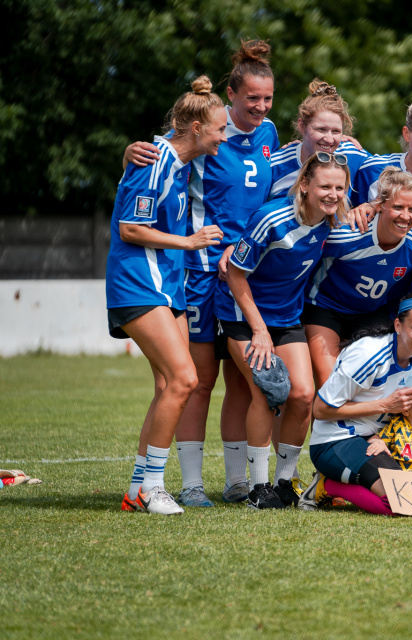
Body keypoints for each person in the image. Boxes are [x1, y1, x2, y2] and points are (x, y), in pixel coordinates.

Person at [123, 40, 281, 506]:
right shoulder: (208, 130)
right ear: (231, 95)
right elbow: (161, 155)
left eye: (267, 98)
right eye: (252, 97)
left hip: (244, 272)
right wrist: (130, 151)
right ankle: (191, 484)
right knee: (198, 378)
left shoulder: (270, 134)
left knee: (242, 379)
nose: (260, 106)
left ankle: (236, 481)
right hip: (197, 269)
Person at [109, 76, 227, 515]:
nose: (223, 136)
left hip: (165, 287)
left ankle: (138, 488)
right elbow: (129, 228)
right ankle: (150, 488)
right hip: (138, 284)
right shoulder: (156, 160)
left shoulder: (179, 163)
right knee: (184, 380)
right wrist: (190, 242)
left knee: (168, 384)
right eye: (219, 129)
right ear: (196, 129)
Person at [219, 152, 351, 509]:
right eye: (325, 186)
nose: (332, 194)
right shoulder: (272, 217)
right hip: (244, 319)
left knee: (303, 395)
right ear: (305, 185)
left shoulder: (332, 222)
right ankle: (257, 487)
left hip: (287, 319)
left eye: (339, 187)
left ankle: (284, 483)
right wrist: (258, 329)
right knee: (267, 391)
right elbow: (234, 270)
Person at [308, 290, 412, 515]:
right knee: (402, 503)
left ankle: (369, 477)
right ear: (398, 325)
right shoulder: (368, 354)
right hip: (338, 440)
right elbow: (320, 409)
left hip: (384, 440)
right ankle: (326, 486)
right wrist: (385, 405)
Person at [302, 167, 412, 386]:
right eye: (398, 207)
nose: (405, 216)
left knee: (371, 383)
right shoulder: (345, 235)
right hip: (325, 307)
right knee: (330, 383)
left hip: (371, 313)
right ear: (380, 206)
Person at [269, 79, 369, 206]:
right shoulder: (276, 165)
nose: (329, 139)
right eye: (321, 129)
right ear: (302, 126)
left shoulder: (352, 154)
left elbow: (389, 176)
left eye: (336, 131)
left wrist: (370, 205)